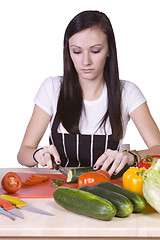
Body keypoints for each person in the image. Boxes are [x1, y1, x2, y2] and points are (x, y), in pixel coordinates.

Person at [17, 10, 160, 177]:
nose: (85, 61)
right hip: (58, 188)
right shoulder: (52, 88)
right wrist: (37, 154)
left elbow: (157, 148)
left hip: (107, 189)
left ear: (108, 50)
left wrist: (131, 157)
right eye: (77, 52)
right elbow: (23, 153)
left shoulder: (127, 93)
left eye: (95, 51)